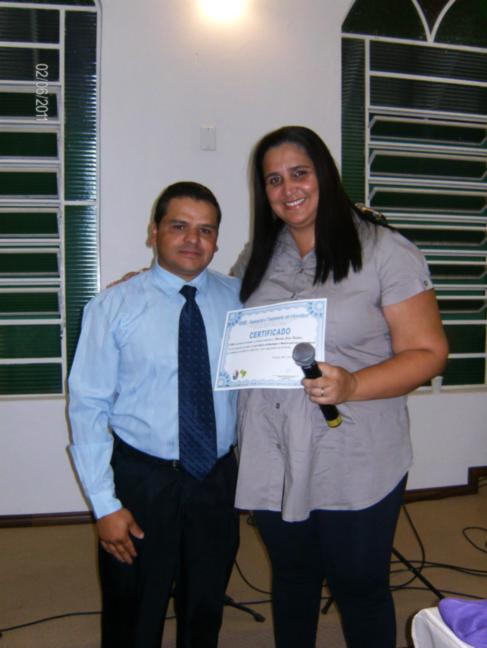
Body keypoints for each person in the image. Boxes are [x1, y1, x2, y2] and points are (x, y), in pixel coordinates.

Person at [231, 126, 449, 648]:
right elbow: (223, 315)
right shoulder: (259, 255)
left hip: (354, 451)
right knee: (293, 580)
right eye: (274, 179)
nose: (289, 189)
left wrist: (353, 384)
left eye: (300, 173)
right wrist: (156, 280)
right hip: (274, 449)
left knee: (359, 586)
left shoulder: (384, 250)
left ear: (324, 174)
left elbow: (430, 353)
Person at [68, 181, 241, 648]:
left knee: (205, 604)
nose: (193, 240)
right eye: (179, 226)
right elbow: (88, 407)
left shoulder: (241, 300)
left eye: (206, 230)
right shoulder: (112, 307)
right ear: (154, 232)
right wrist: (105, 506)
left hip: (216, 478)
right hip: (143, 479)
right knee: (133, 609)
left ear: (217, 241)